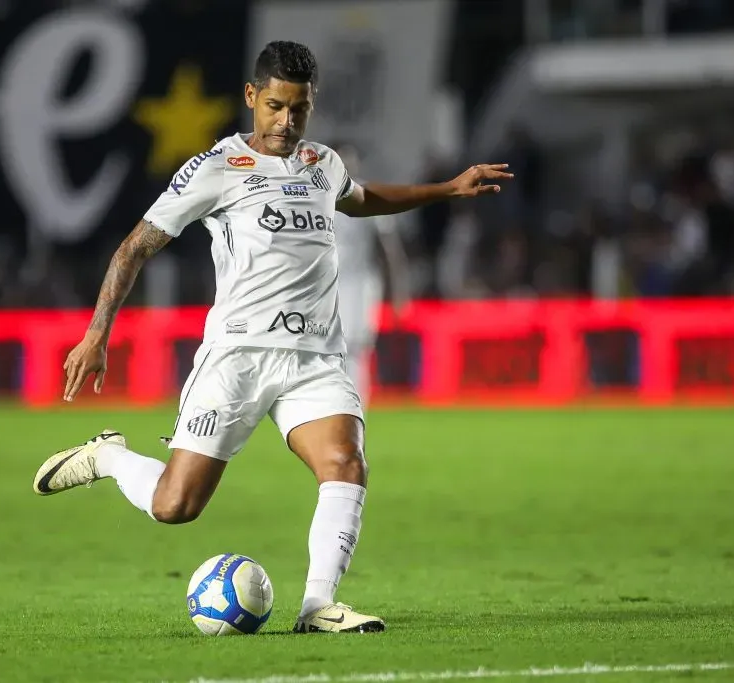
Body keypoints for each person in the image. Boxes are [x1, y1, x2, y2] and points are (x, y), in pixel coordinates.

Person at [32, 41, 511, 633]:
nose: (287, 121)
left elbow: (360, 200)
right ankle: (107, 455)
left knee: (346, 464)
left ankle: (317, 606)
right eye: (277, 106)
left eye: (300, 109)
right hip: (237, 357)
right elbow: (135, 247)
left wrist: (445, 189)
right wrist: (97, 333)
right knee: (176, 506)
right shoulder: (216, 168)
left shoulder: (322, 163)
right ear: (252, 97)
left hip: (313, 358)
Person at [329, 141, 410, 406]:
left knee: (358, 345)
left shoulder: (369, 195)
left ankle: (356, 404)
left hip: (361, 281)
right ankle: (331, 404)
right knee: (328, 346)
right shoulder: (316, 197)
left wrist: (399, 292)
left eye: (350, 162)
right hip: (326, 282)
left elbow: (390, 249)